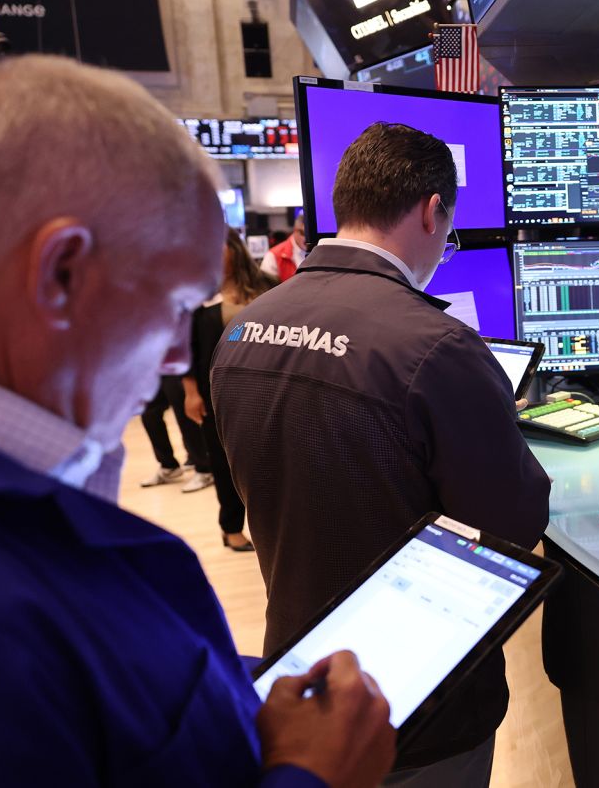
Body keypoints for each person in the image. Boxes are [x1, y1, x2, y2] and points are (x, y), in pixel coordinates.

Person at [0, 54, 395, 786]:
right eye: (179, 305)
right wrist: (314, 776)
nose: (182, 353)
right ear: (61, 273)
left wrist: (235, 692)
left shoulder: (33, 492)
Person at [211, 122, 551, 785]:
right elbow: (512, 524)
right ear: (431, 211)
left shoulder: (242, 329)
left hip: (303, 673)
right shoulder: (437, 346)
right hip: (421, 703)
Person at [184, 230, 274, 551]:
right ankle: (230, 526)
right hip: (216, 393)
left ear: (234, 250)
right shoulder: (198, 294)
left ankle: (271, 528)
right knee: (223, 463)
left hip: (264, 390)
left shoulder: (267, 285)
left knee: (268, 462)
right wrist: (190, 392)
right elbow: (187, 348)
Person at [139, 373, 213, 489]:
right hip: (156, 368)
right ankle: (169, 466)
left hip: (177, 367)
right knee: (149, 413)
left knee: (184, 412)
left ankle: (204, 470)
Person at [260, 213, 306, 281]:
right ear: (295, 230)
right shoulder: (273, 255)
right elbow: (266, 287)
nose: (307, 238)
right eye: (303, 233)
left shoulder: (322, 251)